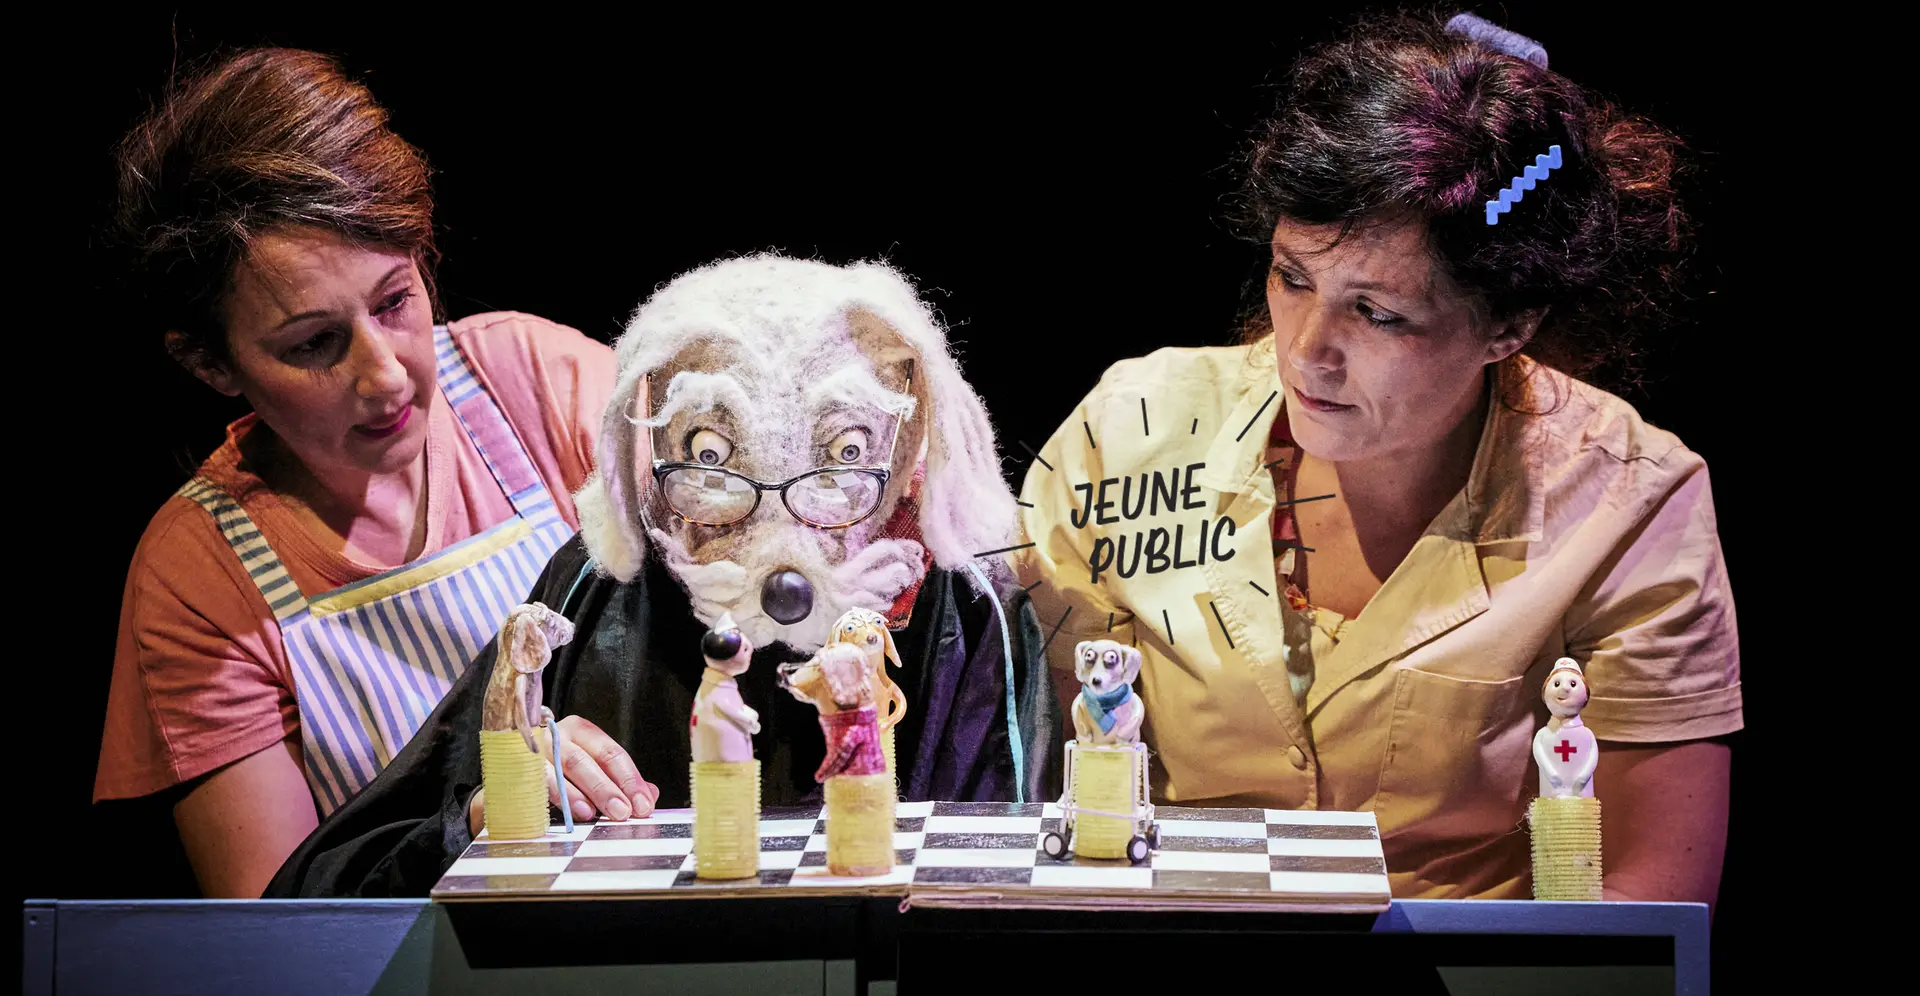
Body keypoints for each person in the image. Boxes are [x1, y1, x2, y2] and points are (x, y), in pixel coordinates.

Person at [1016, 12, 1739, 904]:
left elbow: (1652, 904)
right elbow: (1020, 766)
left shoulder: (1631, 499)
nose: (1307, 351)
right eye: (1293, 278)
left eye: (1380, 314)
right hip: (1168, 944)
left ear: (1509, 326)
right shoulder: (1129, 433)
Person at [266, 254, 1061, 898]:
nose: (777, 544)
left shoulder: (965, 612)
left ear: (907, 428)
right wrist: (492, 807)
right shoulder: (598, 588)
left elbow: (1014, 895)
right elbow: (329, 886)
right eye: (712, 462)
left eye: (844, 456)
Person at [93, 48, 645, 898]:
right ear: (212, 363)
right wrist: (471, 821)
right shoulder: (201, 575)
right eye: (314, 343)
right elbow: (278, 929)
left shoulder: (533, 386)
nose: (386, 376)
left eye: (395, 301)